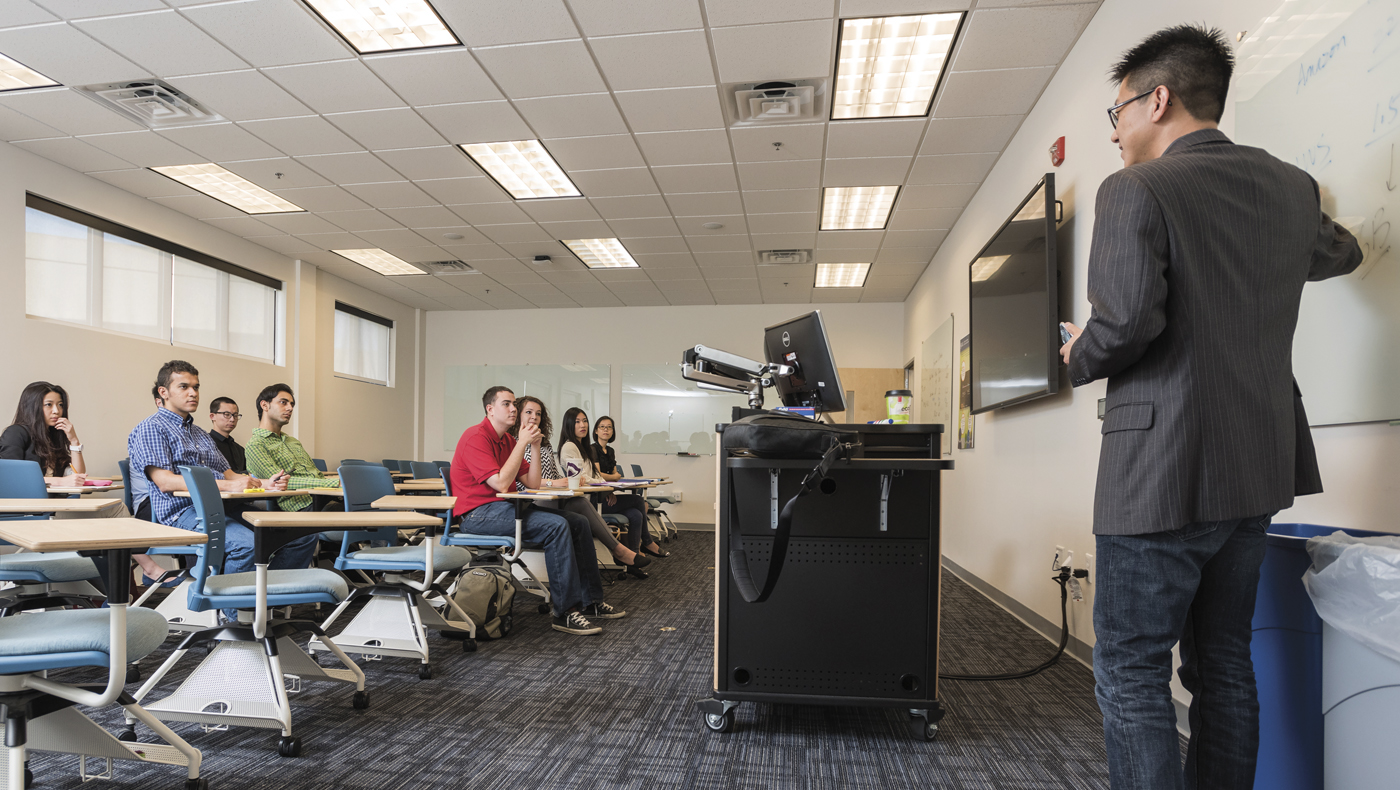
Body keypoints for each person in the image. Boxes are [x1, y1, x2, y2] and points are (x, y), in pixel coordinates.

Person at [1058, 26, 1363, 790]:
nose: (1118, 132)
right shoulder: (1290, 189)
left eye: (1118, 112)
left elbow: (1126, 325)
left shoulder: (1136, 190)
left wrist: (1076, 355)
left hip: (1158, 472)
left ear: (1157, 99)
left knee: (1129, 670)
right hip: (1256, 465)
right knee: (1224, 662)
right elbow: (1342, 253)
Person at [129, 360, 311, 620]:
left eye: (196, 387)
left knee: (300, 537)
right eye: (184, 387)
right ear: (163, 392)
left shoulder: (200, 433)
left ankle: (262, 603)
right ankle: (234, 617)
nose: (193, 393)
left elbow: (231, 474)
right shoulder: (151, 428)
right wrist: (230, 485)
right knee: (247, 545)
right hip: (182, 513)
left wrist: (266, 484)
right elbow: (166, 482)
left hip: (224, 506)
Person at [450, 386, 624, 636]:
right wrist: (522, 443)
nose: (513, 409)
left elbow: (532, 483)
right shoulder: (475, 437)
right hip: (478, 514)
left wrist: (532, 447)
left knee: (578, 522)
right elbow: (500, 483)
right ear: (490, 409)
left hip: (504, 509)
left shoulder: (508, 441)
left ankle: (591, 602)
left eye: (513, 404)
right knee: (557, 525)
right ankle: (565, 612)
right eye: (507, 404)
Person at [0, 382, 166, 582]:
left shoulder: (53, 435)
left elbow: (80, 473)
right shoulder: (16, 433)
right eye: (49, 405)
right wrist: (60, 482)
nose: (56, 411)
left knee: (116, 509)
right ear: (32, 406)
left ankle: (130, 583)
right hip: (27, 514)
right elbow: (11, 477)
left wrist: (73, 440)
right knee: (108, 520)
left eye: (60, 405)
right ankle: (144, 572)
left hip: (52, 508)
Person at [511, 397, 650, 577]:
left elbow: (555, 473)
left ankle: (607, 561)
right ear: (517, 415)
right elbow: (523, 481)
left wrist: (565, 480)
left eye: (538, 414)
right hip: (531, 500)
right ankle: (619, 551)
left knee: (586, 511)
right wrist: (555, 483)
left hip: (551, 496)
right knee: (581, 506)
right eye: (528, 412)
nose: (534, 417)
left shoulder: (543, 444)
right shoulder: (514, 443)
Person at [563, 411, 667, 560]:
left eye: (584, 421)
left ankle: (634, 554)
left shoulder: (587, 448)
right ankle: (647, 543)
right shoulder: (579, 448)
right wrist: (608, 485)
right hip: (590, 500)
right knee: (638, 501)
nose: (582, 425)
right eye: (577, 422)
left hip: (600, 494)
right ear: (596, 430)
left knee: (636, 514)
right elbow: (590, 477)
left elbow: (599, 476)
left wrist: (607, 488)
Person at [244, 384, 342, 512]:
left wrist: (339, 486)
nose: (290, 408)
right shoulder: (255, 445)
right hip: (303, 506)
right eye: (283, 403)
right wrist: (335, 484)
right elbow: (280, 483)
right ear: (265, 405)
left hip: (327, 498)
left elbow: (317, 475)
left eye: (291, 404)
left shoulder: (293, 442)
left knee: (366, 503)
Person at [207, 397, 246, 474]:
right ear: (212, 416)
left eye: (235, 415)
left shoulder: (240, 449)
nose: (232, 419)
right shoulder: (205, 444)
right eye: (227, 414)